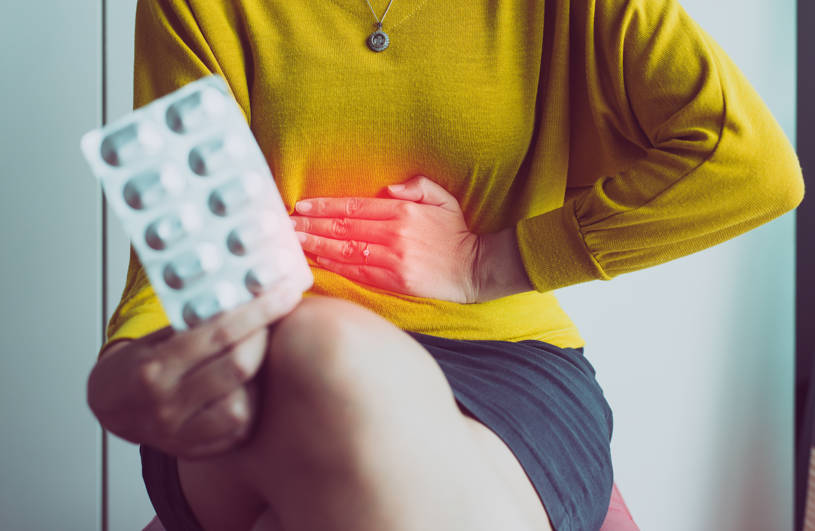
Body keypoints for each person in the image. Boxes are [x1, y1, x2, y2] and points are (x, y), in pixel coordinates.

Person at [86, 0, 805, 529]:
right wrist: (129, 359)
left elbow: (749, 164)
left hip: (503, 369)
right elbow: (181, 244)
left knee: (325, 359)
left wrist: (487, 261)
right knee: (320, 350)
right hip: (258, 366)